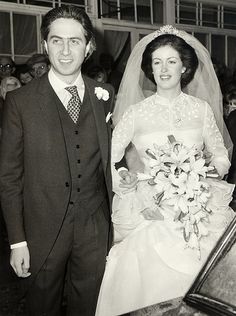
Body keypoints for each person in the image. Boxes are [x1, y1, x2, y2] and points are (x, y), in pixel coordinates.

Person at [95, 26, 235, 316]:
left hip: (200, 205)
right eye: (157, 62)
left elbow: (221, 154)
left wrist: (211, 171)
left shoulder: (201, 110)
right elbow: (112, 156)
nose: (164, 68)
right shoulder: (136, 112)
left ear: (184, 67)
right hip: (152, 210)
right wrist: (126, 179)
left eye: (171, 61)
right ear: (150, 68)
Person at [0, 5, 115, 316]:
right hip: (41, 229)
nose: (65, 51)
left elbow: (113, 160)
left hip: (94, 225)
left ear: (89, 46)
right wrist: (17, 241)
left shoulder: (105, 94)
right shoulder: (19, 102)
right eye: (56, 40)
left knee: (90, 307)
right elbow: (9, 177)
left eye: (75, 41)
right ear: (44, 45)